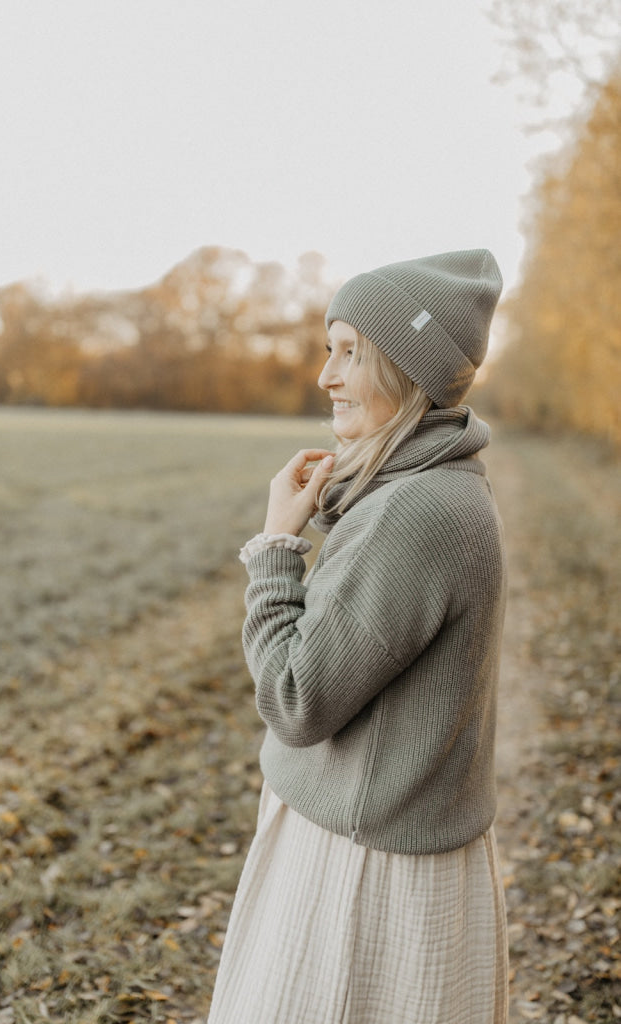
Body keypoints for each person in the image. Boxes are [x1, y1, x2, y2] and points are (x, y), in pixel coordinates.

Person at [207, 249, 509, 1024]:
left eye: (350, 353)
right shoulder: (425, 490)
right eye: (327, 348)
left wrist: (275, 548)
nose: (324, 376)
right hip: (372, 836)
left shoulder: (414, 512)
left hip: (362, 874)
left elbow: (296, 698)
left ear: (408, 368)